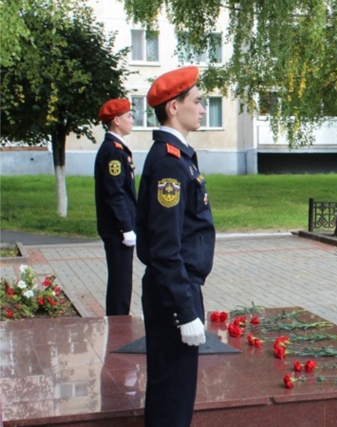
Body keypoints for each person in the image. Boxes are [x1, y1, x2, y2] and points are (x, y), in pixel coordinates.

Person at [135, 66, 215, 427]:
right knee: (173, 398)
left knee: (173, 393)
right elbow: (166, 248)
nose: (202, 109)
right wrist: (184, 311)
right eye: (197, 102)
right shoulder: (169, 162)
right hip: (174, 292)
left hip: (176, 286)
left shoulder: (177, 156)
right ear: (173, 107)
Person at [94, 98, 136, 316]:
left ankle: (118, 320)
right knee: (120, 281)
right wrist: (126, 227)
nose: (132, 120)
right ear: (116, 120)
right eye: (128, 116)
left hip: (117, 226)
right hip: (117, 228)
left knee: (121, 279)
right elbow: (116, 193)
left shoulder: (116, 148)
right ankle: (118, 324)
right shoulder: (114, 151)